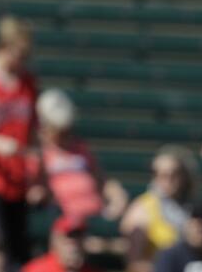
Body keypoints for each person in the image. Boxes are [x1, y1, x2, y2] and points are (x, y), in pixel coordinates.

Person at [28, 89, 127, 225]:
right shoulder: (39, 153)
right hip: (64, 220)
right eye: (59, 130)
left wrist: (117, 196)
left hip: (95, 214)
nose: (64, 134)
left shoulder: (80, 148)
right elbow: (34, 190)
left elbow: (102, 180)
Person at [119, 145, 199, 272]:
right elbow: (135, 265)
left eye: (173, 174)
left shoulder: (192, 207)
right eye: (159, 174)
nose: (167, 180)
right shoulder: (142, 209)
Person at [0, 16, 38, 265]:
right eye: (19, 52)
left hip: (18, 179)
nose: (22, 60)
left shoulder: (28, 83)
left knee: (18, 252)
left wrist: (36, 173)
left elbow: (34, 131)